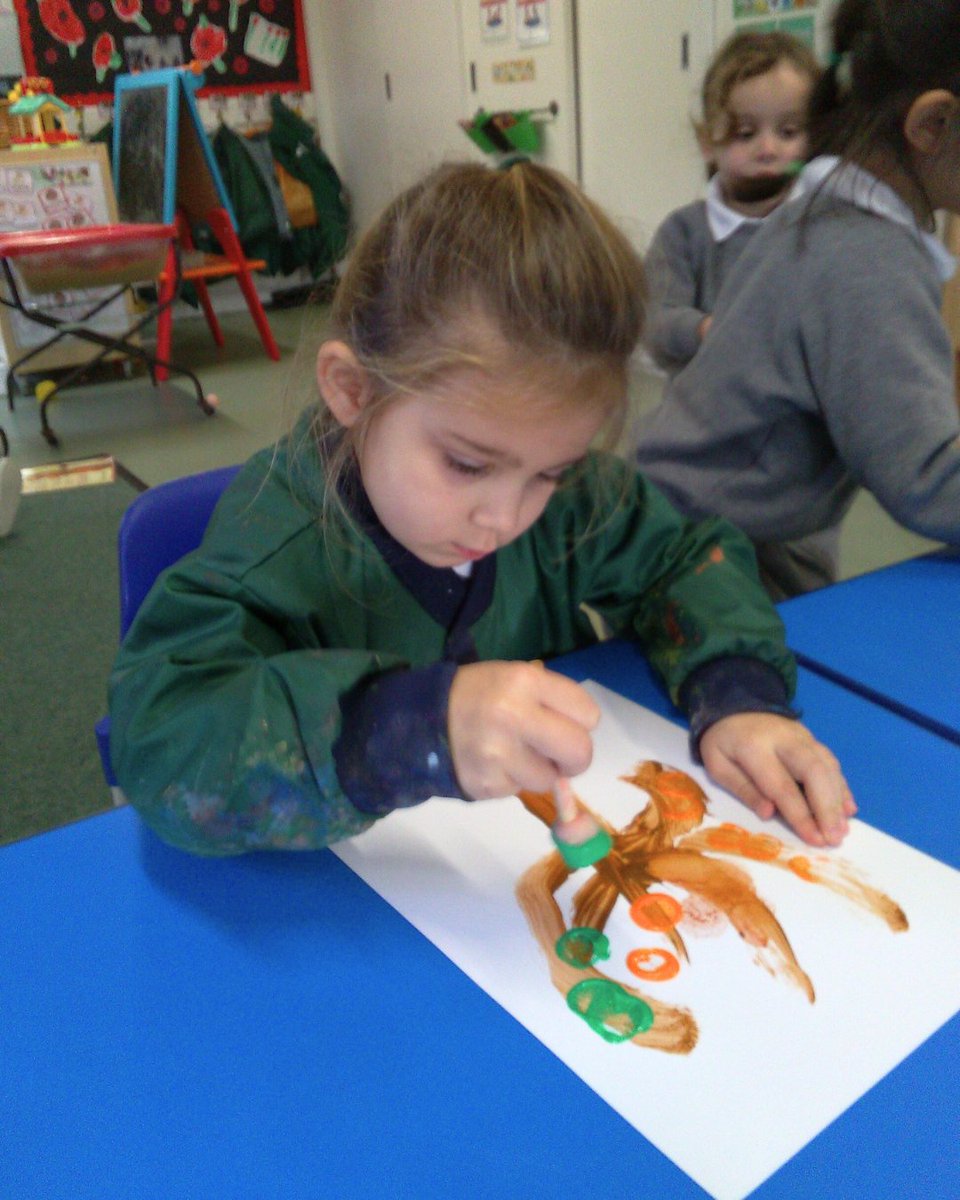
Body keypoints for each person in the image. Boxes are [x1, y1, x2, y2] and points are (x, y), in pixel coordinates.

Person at [108, 160, 853, 859]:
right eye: (466, 464)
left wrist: (736, 692)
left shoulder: (570, 500)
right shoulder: (281, 534)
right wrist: (401, 729)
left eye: (550, 471)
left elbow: (683, 556)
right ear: (353, 391)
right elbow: (161, 735)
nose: (505, 517)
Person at [636, 0, 960, 600]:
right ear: (932, 125)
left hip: (702, 519)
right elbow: (926, 475)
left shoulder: (829, 212)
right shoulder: (865, 255)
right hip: (709, 546)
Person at [644, 30, 819, 376]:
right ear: (708, 142)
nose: (768, 150)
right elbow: (654, 322)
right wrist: (708, 329)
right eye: (745, 133)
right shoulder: (683, 233)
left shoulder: (822, 226)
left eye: (788, 132)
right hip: (704, 419)